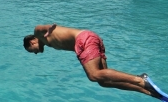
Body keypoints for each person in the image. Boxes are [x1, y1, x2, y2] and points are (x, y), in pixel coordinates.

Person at [23, 24, 155, 97]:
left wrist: (48, 29)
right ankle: (145, 90)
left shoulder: (38, 34)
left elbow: (40, 27)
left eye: (32, 49)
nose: (35, 53)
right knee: (104, 82)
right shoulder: (48, 42)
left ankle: (140, 80)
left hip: (83, 40)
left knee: (93, 75)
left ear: (32, 41)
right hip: (90, 39)